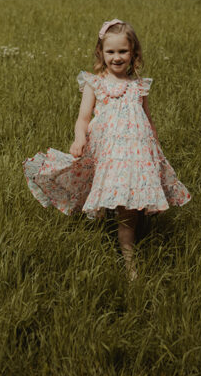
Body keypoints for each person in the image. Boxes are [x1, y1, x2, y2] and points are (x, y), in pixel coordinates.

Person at [24, 19, 190, 277]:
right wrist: (79, 138)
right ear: (100, 52)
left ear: (133, 53)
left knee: (129, 208)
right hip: (108, 153)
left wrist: (154, 149)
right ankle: (111, 225)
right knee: (112, 194)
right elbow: (83, 118)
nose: (116, 57)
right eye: (110, 52)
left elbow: (148, 120)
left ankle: (129, 257)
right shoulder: (95, 83)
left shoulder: (139, 86)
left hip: (136, 155)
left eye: (123, 51)